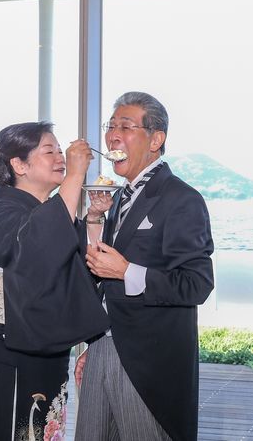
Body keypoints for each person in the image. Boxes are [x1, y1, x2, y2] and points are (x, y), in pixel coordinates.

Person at [75, 91, 215, 441]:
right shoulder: (118, 197)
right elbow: (99, 272)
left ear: (156, 140)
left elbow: (196, 284)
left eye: (126, 126)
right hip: (103, 349)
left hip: (150, 365)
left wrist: (127, 272)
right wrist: (94, 219)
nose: (112, 136)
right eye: (110, 126)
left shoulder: (182, 198)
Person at [0, 121, 109, 441]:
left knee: (40, 432)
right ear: (19, 165)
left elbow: (80, 272)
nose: (60, 157)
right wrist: (74, 177)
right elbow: (38, 252)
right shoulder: (3, 211)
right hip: (2, 354)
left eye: (60, 150)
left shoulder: (46, 213)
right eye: (49, 151)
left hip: (43, 350)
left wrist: (94, 218)